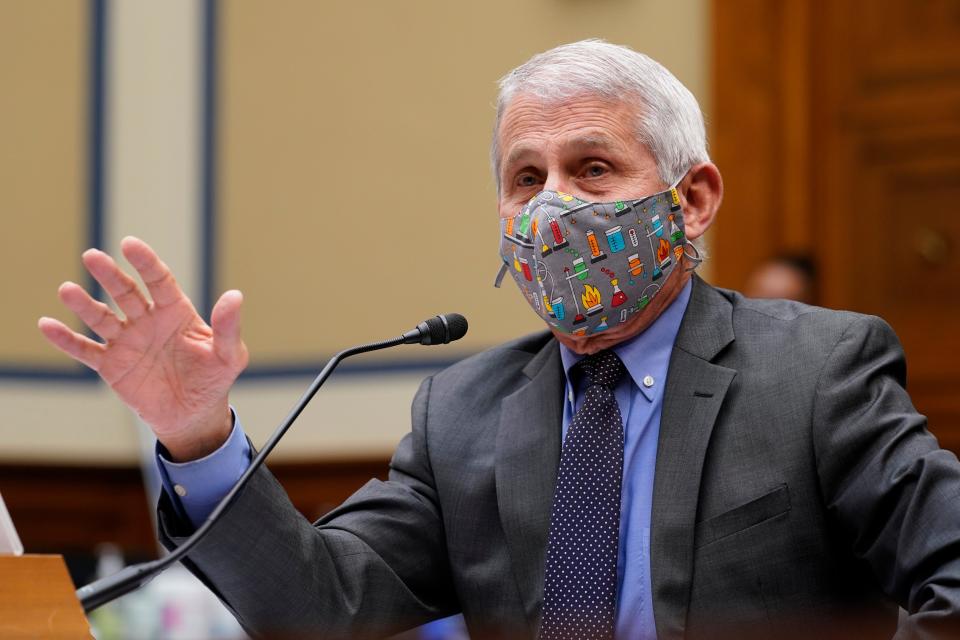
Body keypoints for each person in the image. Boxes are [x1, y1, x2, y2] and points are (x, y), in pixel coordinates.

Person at [39, 40, 960, 639]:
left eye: (592, 168)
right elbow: (319, 604)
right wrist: (196, 430)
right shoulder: (464, 411)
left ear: (693, 197)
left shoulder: (815, 370)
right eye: (527, 178)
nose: (552, 207)